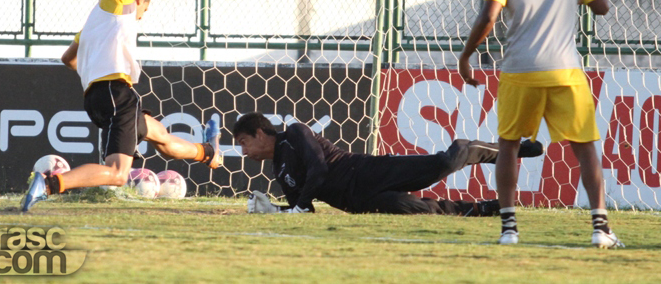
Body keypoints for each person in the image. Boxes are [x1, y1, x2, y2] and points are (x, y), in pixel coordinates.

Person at [22, 0, 222, 212]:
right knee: (117, 173)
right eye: (145, 9)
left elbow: (67, 59)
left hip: (97, 97)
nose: (142, 15)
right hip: (117, 93)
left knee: (161, 137)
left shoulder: (94, 26)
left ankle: (207, 151)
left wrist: (93, 65)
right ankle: (49, 184)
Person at [458, 0, 622, 248]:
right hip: (565, 70)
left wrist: (467, 54)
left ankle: (509, 230)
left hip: (520, 70)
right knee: (585, 147)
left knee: (508, 145)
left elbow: (489, 16)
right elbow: (603, 7)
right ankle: (600, 228)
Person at [233, 111, 543, 216]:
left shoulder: (295, 133)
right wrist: (276, 210)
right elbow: (305, 212)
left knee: (446, 163)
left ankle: (509, 149)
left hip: (368, 171)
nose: (244, 152)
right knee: (424, 211)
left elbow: (319, 169)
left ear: (261, 133)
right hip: (358, 202)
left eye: (244, 142)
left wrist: (298, 207)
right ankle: (487, 208)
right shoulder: (279, 170)